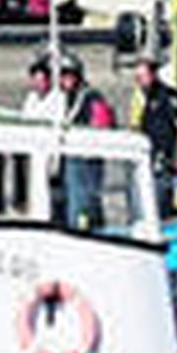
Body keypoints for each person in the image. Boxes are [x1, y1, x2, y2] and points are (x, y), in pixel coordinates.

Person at [58, 54, 114, 230]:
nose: (64, 80)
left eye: (68, 75)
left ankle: (86, 229)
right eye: (62, 76)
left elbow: (102, 123)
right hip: (71, 156)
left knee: (83, 200)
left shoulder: (90, 97)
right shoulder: (67, 99)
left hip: (86, 160)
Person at [130, 56, 177, 220]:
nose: (140, 81)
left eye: (143, 76)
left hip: (163, 155)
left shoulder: (169, 95)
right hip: (144, 155)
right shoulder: (139, 97)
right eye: (137, 78)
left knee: (161, 199)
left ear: (153, 75)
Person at [20, 52, 65, 123]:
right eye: (36, 81)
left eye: (42, 81)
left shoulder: (59, 97)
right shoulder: (32, 96)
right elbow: (25, 117)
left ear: (48, 80)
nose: (38, 84)